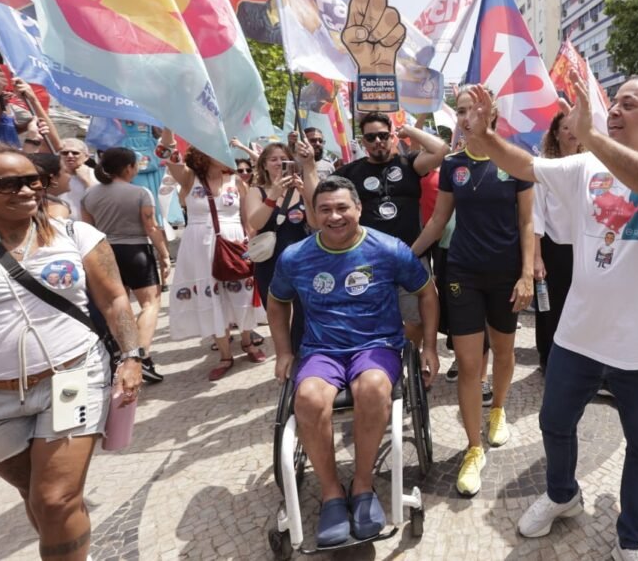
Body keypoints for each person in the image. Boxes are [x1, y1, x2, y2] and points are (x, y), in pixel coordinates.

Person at [458, 71, 638, 560]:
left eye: (627, 104)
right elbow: (527, 166)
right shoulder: (586, 165)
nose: (612, 109)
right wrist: (485, 135)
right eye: (613, 101)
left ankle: (633, 538)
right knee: (554, 422)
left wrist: (591, 135)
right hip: (579, 333)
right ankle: (562, 494)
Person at [267, 177, 439, 546]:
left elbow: (426, 292)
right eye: (325, 209)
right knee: (309, 398)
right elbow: (277, 301)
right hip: (322, 350)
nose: (334, 216)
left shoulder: (388, 249)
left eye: (342, 207)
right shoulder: (295, 257)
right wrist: (283, 351)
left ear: (358, 208)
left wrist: (429, 348)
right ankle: (331, 494)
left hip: (376, 345)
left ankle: (363, 486)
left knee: (374, 388)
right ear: (314, 214)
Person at [0, 143, 143, 561]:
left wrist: (131, 356)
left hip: (72, 377)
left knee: (55, 498)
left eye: (32, 181)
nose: (25, 190)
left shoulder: (76, 235)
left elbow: (115, 300)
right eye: (8, 184)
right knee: (37, 495)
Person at [411, 86, 535, 498]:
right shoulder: (453, 165)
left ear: (492, 114)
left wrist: (526, 275)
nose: (464, 118)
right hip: (462, 271)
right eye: (461, 111)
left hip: (505, 275)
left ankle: (497, 408)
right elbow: (437, 220)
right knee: (467, 364)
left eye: (473, 110)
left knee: (503, 350)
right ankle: (473, 448)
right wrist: (406, 257)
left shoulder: (515, 162)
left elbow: (526, 224)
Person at [331, 112, 448, 347]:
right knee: (371, 318)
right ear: (363, 141)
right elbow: (322, 197)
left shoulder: (410, 163)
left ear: (392, 136)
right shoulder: (349, 173)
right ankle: (384, 362)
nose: (377, 141)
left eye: (383, 135)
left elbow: (441, 151)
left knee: (415, 320)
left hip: (411, 255)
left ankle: (405, 360)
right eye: (371, 137)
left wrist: (410, 130)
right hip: (368, 260)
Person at [158, 130, 264, 380]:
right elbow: (168, 154)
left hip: (234, 241)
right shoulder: (189, 179)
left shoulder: (237, 180)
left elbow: (246, 216)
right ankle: (225, 354)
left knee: (242, 291)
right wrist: (169, 125)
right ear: (205, 154)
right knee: (210, 296)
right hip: (199, 245)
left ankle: (248, 341)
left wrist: (252, 243)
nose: (227, 155)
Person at [81, 147, 170, 384]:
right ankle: (142, 356)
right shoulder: (140, 193)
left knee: (118, 305)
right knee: (150, 303)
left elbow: (87, 230)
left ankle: (125, 354)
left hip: (104, 253)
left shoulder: (89, 196)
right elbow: (151, 228)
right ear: (130, 167)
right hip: (136, 252)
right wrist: (164, 255)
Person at [533, 111, 582, 371]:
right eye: (566, 127)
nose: (572, 132)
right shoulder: (544, 165)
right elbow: (536, 213)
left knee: (581, 305)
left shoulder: (592, 164)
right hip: (553, 247)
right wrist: (537, 256)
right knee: (550, 306)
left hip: (586, 247)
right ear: (555, 133)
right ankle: (548, 356)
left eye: (576, 127)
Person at [244, 142, 309, 331]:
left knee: (305, 316)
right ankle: (285, 355)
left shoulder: (300, 189)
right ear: (263, 164)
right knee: (279, 319)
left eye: (284, 159)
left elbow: (315, 223)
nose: (279, 163)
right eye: (273, 159)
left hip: (303, 261)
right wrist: (272, 196)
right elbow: (256, 223)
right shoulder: (257, 192)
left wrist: (305, 191)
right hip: (270, 263)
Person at [57, 139, 97, 220]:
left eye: (75, 153)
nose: (70, 156)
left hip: (88, 227)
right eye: (65, 153)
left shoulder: (97, 175)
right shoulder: (53, 176)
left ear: (86, 157)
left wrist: (87, 180)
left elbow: (101, 200)